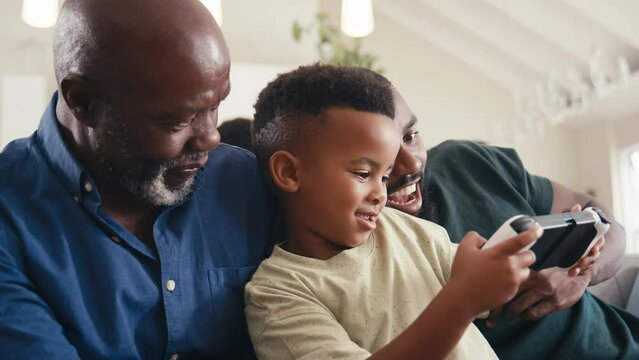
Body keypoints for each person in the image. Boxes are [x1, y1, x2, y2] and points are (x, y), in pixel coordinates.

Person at [0, 0, 275, 358]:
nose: (211, 137)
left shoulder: (247, 184)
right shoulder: (10, 215)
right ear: (82, 101)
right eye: (176, 121)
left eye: (216, 105)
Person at [245, 63, 541, 359]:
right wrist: (461, 302)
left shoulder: (407, 231)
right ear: (289, 173)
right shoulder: (278, 293)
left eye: (384, 177)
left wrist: (555, 262)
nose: (380, 193)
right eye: (363, 173)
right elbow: (466, 294)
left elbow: (486, 285)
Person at [386, 90, 639, 359]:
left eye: (410, 136)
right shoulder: (355, 264)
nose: (411, 163)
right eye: (385, 149)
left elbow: (608, 224)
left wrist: (580, 276)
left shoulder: (465, 161)